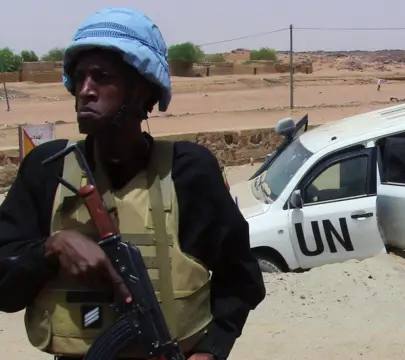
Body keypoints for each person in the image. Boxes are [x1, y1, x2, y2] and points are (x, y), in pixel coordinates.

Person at [0, 8, 265, 360]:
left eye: (101, 77)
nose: (85, 91)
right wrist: (53, 248)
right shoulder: (47, 171)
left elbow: (241, 279)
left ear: (143, 90)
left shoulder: (188, 173)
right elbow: (5, 290)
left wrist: (211, 350)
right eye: (79, 78)